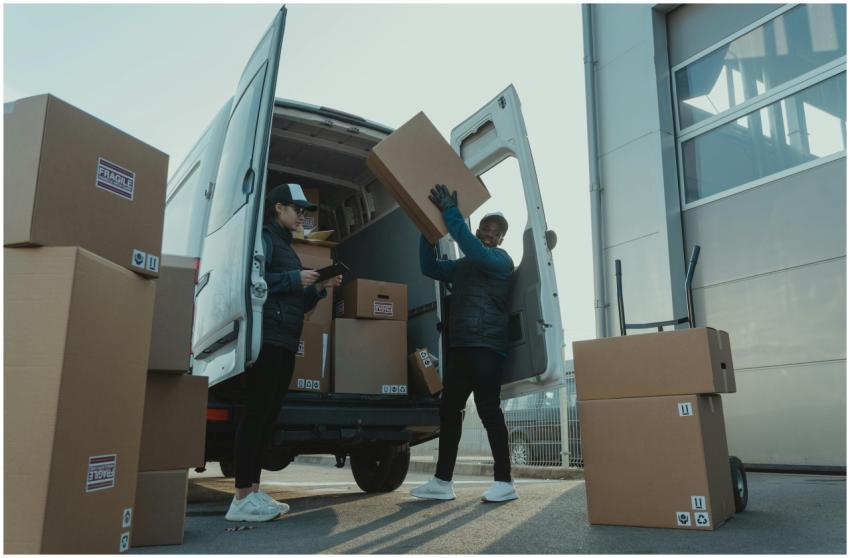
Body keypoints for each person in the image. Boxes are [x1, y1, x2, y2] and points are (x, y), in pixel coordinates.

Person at [225, 183, 342, 522]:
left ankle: (255, 494)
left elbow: (296, 301)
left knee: (267, 417)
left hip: (286, 339)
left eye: (304, 210)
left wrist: (317, 288)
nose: (301, 215)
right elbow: (252, 280)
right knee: (255, 415)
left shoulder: (288, 248)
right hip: (268, 339)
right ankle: (240, 498)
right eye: (296, 209)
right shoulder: (265, 239)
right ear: (278, 208)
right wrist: (295, 278)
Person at [410, 183, 518, 503]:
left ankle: (505, 481)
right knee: (449, 411)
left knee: (488, 411)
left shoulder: (500, 261)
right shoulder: (463, 266)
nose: (489, 233)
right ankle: (442, 482)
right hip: (460, 347)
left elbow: (472, 248)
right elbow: (428, 267)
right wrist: (427, 232)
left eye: (495, 231)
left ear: (501, 240)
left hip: (487, 347)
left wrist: (450, 213)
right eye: (485, 226)